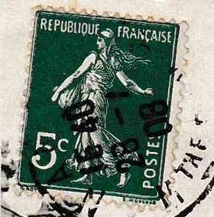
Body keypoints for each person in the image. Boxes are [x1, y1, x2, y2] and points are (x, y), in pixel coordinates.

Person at [51, 29, 153, 186]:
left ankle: (123, 165)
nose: (97, 42)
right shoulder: (105, 59)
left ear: (107, 42)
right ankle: (88, 173)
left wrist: (142, 91)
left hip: (95, 100)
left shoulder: (103, 59)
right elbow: (77, 74)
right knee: (85, 137)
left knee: (97, 137)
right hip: (88, 99)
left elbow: (127, 82)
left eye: (99, 40)